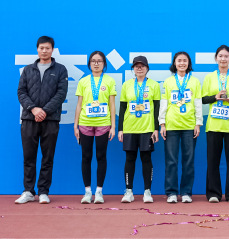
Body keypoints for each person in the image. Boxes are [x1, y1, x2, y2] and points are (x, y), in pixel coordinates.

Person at [15, 36, 69, 204]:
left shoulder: (60, 70)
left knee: (47, 157)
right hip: (29, 119)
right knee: (29, 157)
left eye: (47, 48)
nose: (44, 51)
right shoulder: (28, 70)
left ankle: (44, 191)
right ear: (37, 49)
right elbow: (21, 92)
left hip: (50, 119)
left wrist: (44, 111)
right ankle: (28, 191)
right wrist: (33, 109)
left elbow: (61, 94)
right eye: (41, 48)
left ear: (52, 50)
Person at [201, 45, 229, 203]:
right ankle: (213, 193)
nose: (223, 59)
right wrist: (215, 97)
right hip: (213, 125)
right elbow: (203, 99)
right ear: (216, 58)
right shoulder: (209, 77)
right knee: (212, 161)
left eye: (226, 56)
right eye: (220, 56)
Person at [159, 52, 203, 203]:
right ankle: (171, 193)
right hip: (171, 125)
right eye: (179, 60)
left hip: (189, 126)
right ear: (175, 63)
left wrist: (198, 123)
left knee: (188, 161)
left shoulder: (195, 81)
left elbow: (198, 103)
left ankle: (186, 192)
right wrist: (162, 123)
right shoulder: (168, 82)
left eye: (185, 60)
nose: (182, 63)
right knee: (171, 161)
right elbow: (164, 102)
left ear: (189, 63)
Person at [74, 51, 116, 204]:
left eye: (99, 61)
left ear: (104, 64)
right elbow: (79, 105)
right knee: (86, 156)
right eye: (93, 61)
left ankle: (99, 191)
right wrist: (76, 125)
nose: (96, 64)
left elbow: (112, 105)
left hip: (103, 124)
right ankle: (87, 192)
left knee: (101, 156)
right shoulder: (83, 81)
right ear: (89, 64)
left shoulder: (109, 80)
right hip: (85, 123)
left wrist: (113, 126)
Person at [118, 56, 160, 203]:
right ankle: (129, 191)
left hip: (147, 128)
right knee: (130, 158)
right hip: (129, 128)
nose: (139, 68)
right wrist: (120, 129)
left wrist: (156, 129)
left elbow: (157, 109)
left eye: (142, 66)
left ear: (147, 68)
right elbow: (122, 108)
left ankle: (147, 191)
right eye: (136, 66)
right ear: (133, 69)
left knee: (146, 159)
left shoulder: (154, 85)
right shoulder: (127, 85)